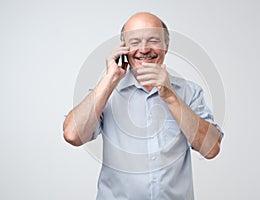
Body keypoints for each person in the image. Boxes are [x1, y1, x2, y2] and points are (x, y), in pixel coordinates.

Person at [63, 12, 223, 200]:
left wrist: (170, 96)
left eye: (153, 40)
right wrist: (110, 78)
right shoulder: (106, 93)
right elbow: (72, 135)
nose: (144, 49)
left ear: (166, 46)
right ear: (123, 48)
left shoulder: (189, 92)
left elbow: (211, 148)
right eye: (135, 42)